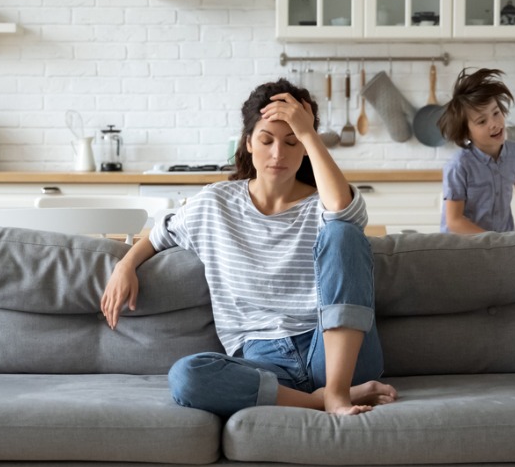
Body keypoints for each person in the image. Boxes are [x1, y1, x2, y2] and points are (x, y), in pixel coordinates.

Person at [100, 79, 397, 417]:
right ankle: (323, 399)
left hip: (334, 349)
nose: (278, 154)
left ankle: (338, 390)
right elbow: (158, 236)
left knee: (343, 233)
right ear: (249, 143)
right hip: (263, 361)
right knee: (187, 376)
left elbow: (344, 213)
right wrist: (125, 266)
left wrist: (309, 132)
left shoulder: (324, 204)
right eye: (267, 140)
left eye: (292, 141)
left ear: (304, 147)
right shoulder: (216, 204)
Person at [437, 68, 515, 233]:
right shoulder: (459, 166)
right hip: (462, 248)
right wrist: (491, 241)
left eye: (496, 113)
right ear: (466, 131)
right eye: (482, 121)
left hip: (501, 241)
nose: (494, 123)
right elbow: (454, 221)